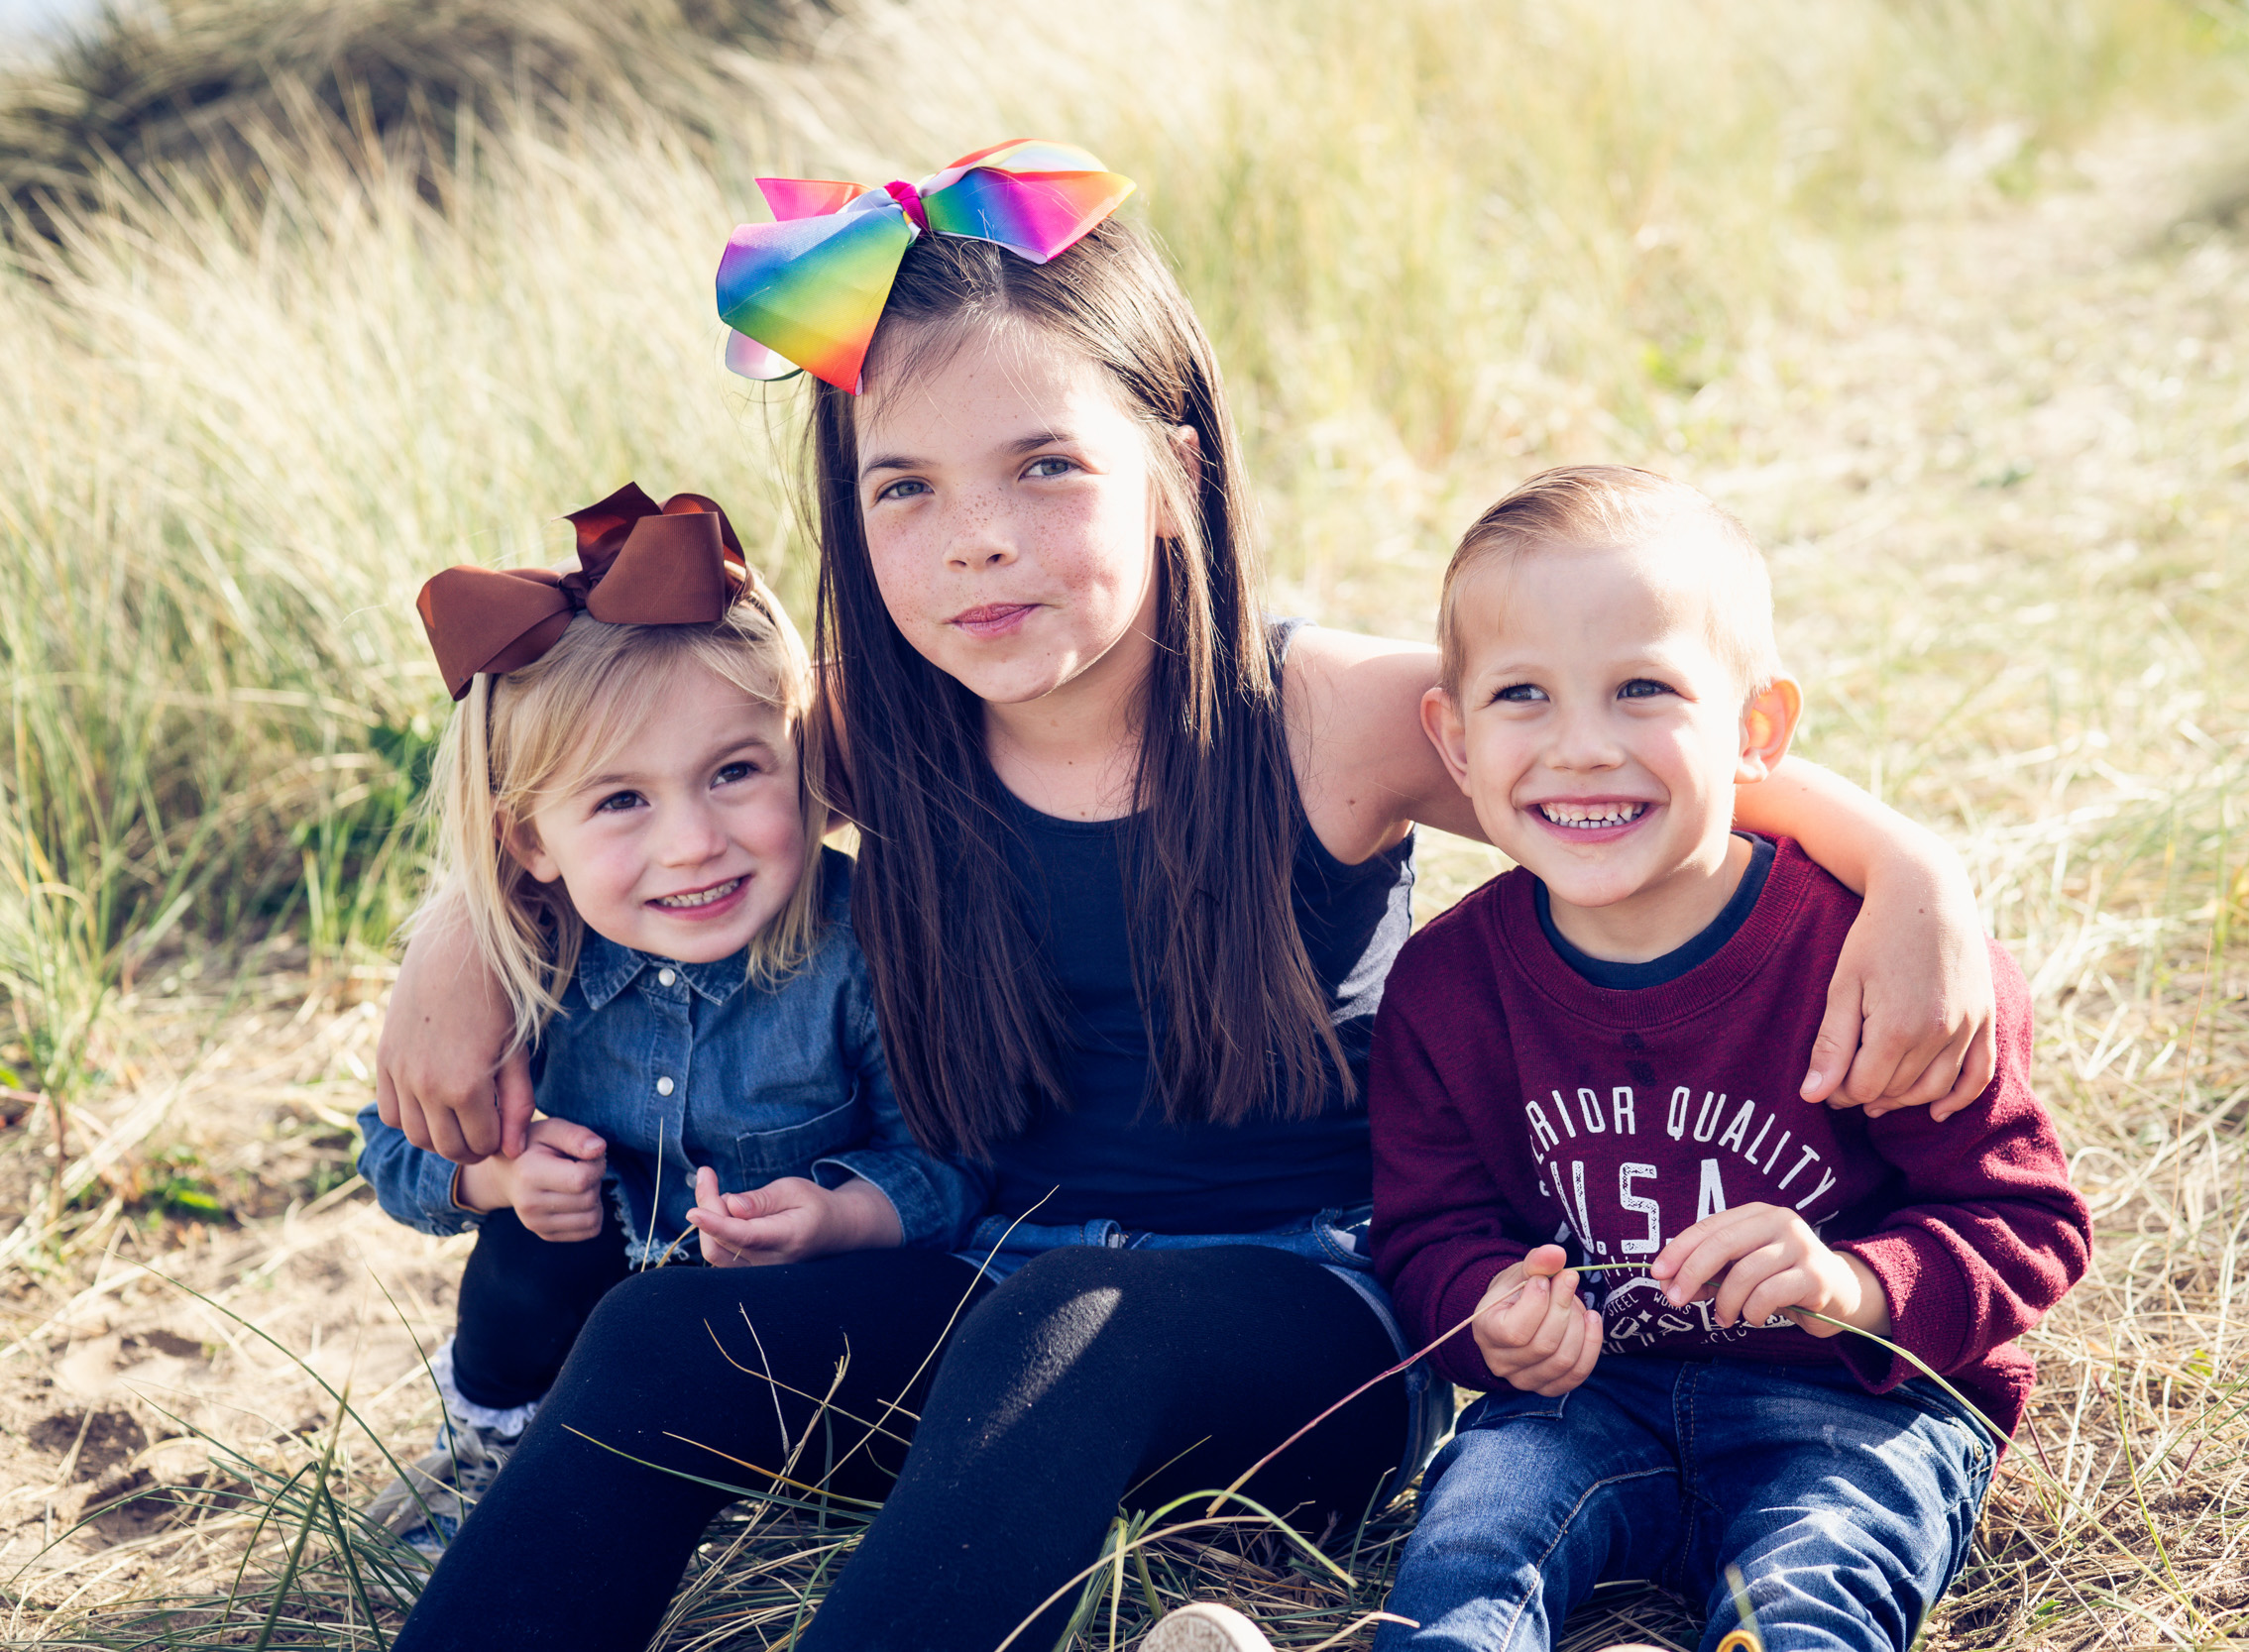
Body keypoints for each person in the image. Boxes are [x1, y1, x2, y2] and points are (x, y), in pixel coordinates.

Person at [379, 145, 2004, 1652]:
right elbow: (619, 796)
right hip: (991, 1297)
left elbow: (1635, 761)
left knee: (1084, 1318)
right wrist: (458, 933)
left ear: (1169, 467)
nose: (979, 546)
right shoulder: (880, 739)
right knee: (665, 1344)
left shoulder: (1328, 721)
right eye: (908, 490)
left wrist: (1914, 865)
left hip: (1320, 1322)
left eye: (1042, 468)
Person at [1337, 467, 2087, 1652]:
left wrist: (1852, 1283)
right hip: (1585, 1402)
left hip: (1848, 1406)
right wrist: (1489, 1309)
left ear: (1757, 728)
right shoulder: (1447, 988)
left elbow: (2026, 1224)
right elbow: (1427, 1228)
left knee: (1813, 1583)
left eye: (1643, 688)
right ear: (1456, 739)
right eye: (1522, 694)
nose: (1581, 747)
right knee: (1469, 1546)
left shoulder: (1868, 963)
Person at [354, 484, 977, 1555]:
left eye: (733, 772)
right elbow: (388, 1149)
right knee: (531, 1250)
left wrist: (838, 1214)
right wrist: (496, 1178)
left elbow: (947, 1164)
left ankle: (762, 1495)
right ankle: (507, 1445)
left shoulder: (859, 946)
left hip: (776, 1337)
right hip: (565, 1328)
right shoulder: (525, 963)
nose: (692, 841)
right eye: (620, 799)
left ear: (801, 761)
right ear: (533, 837)